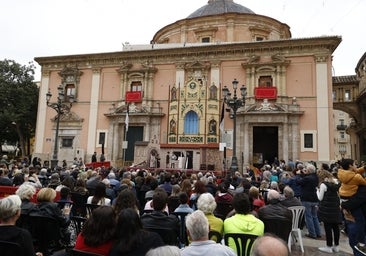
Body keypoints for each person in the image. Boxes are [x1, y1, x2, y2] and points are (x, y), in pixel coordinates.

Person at [337, 158, 366, 255]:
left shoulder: (345, 175)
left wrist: (344, 205)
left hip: (355, 213)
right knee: (354, 238)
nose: (356, 166)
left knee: (356, 239)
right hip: (353, 215)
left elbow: (359, 198)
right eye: (355, 164)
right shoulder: (355, 177)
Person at [316, 169, 341, 253]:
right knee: (336, 227)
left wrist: (317, 191)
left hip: (326, 210)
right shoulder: (336, 182)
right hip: (335, 208)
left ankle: (329, 246)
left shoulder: (323, 185)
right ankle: (336, 246)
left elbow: (320, 198)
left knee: (328, 228)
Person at [297, 163, 322, 239]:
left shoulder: (307, 178)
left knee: (308, 217)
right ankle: (318, 232)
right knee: (314, 216)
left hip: (306, 199)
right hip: (314, 198)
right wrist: (304, 174)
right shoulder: (315, 177)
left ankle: (312, 233)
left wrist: (299, 174)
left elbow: (299, 182)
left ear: (308, 170)